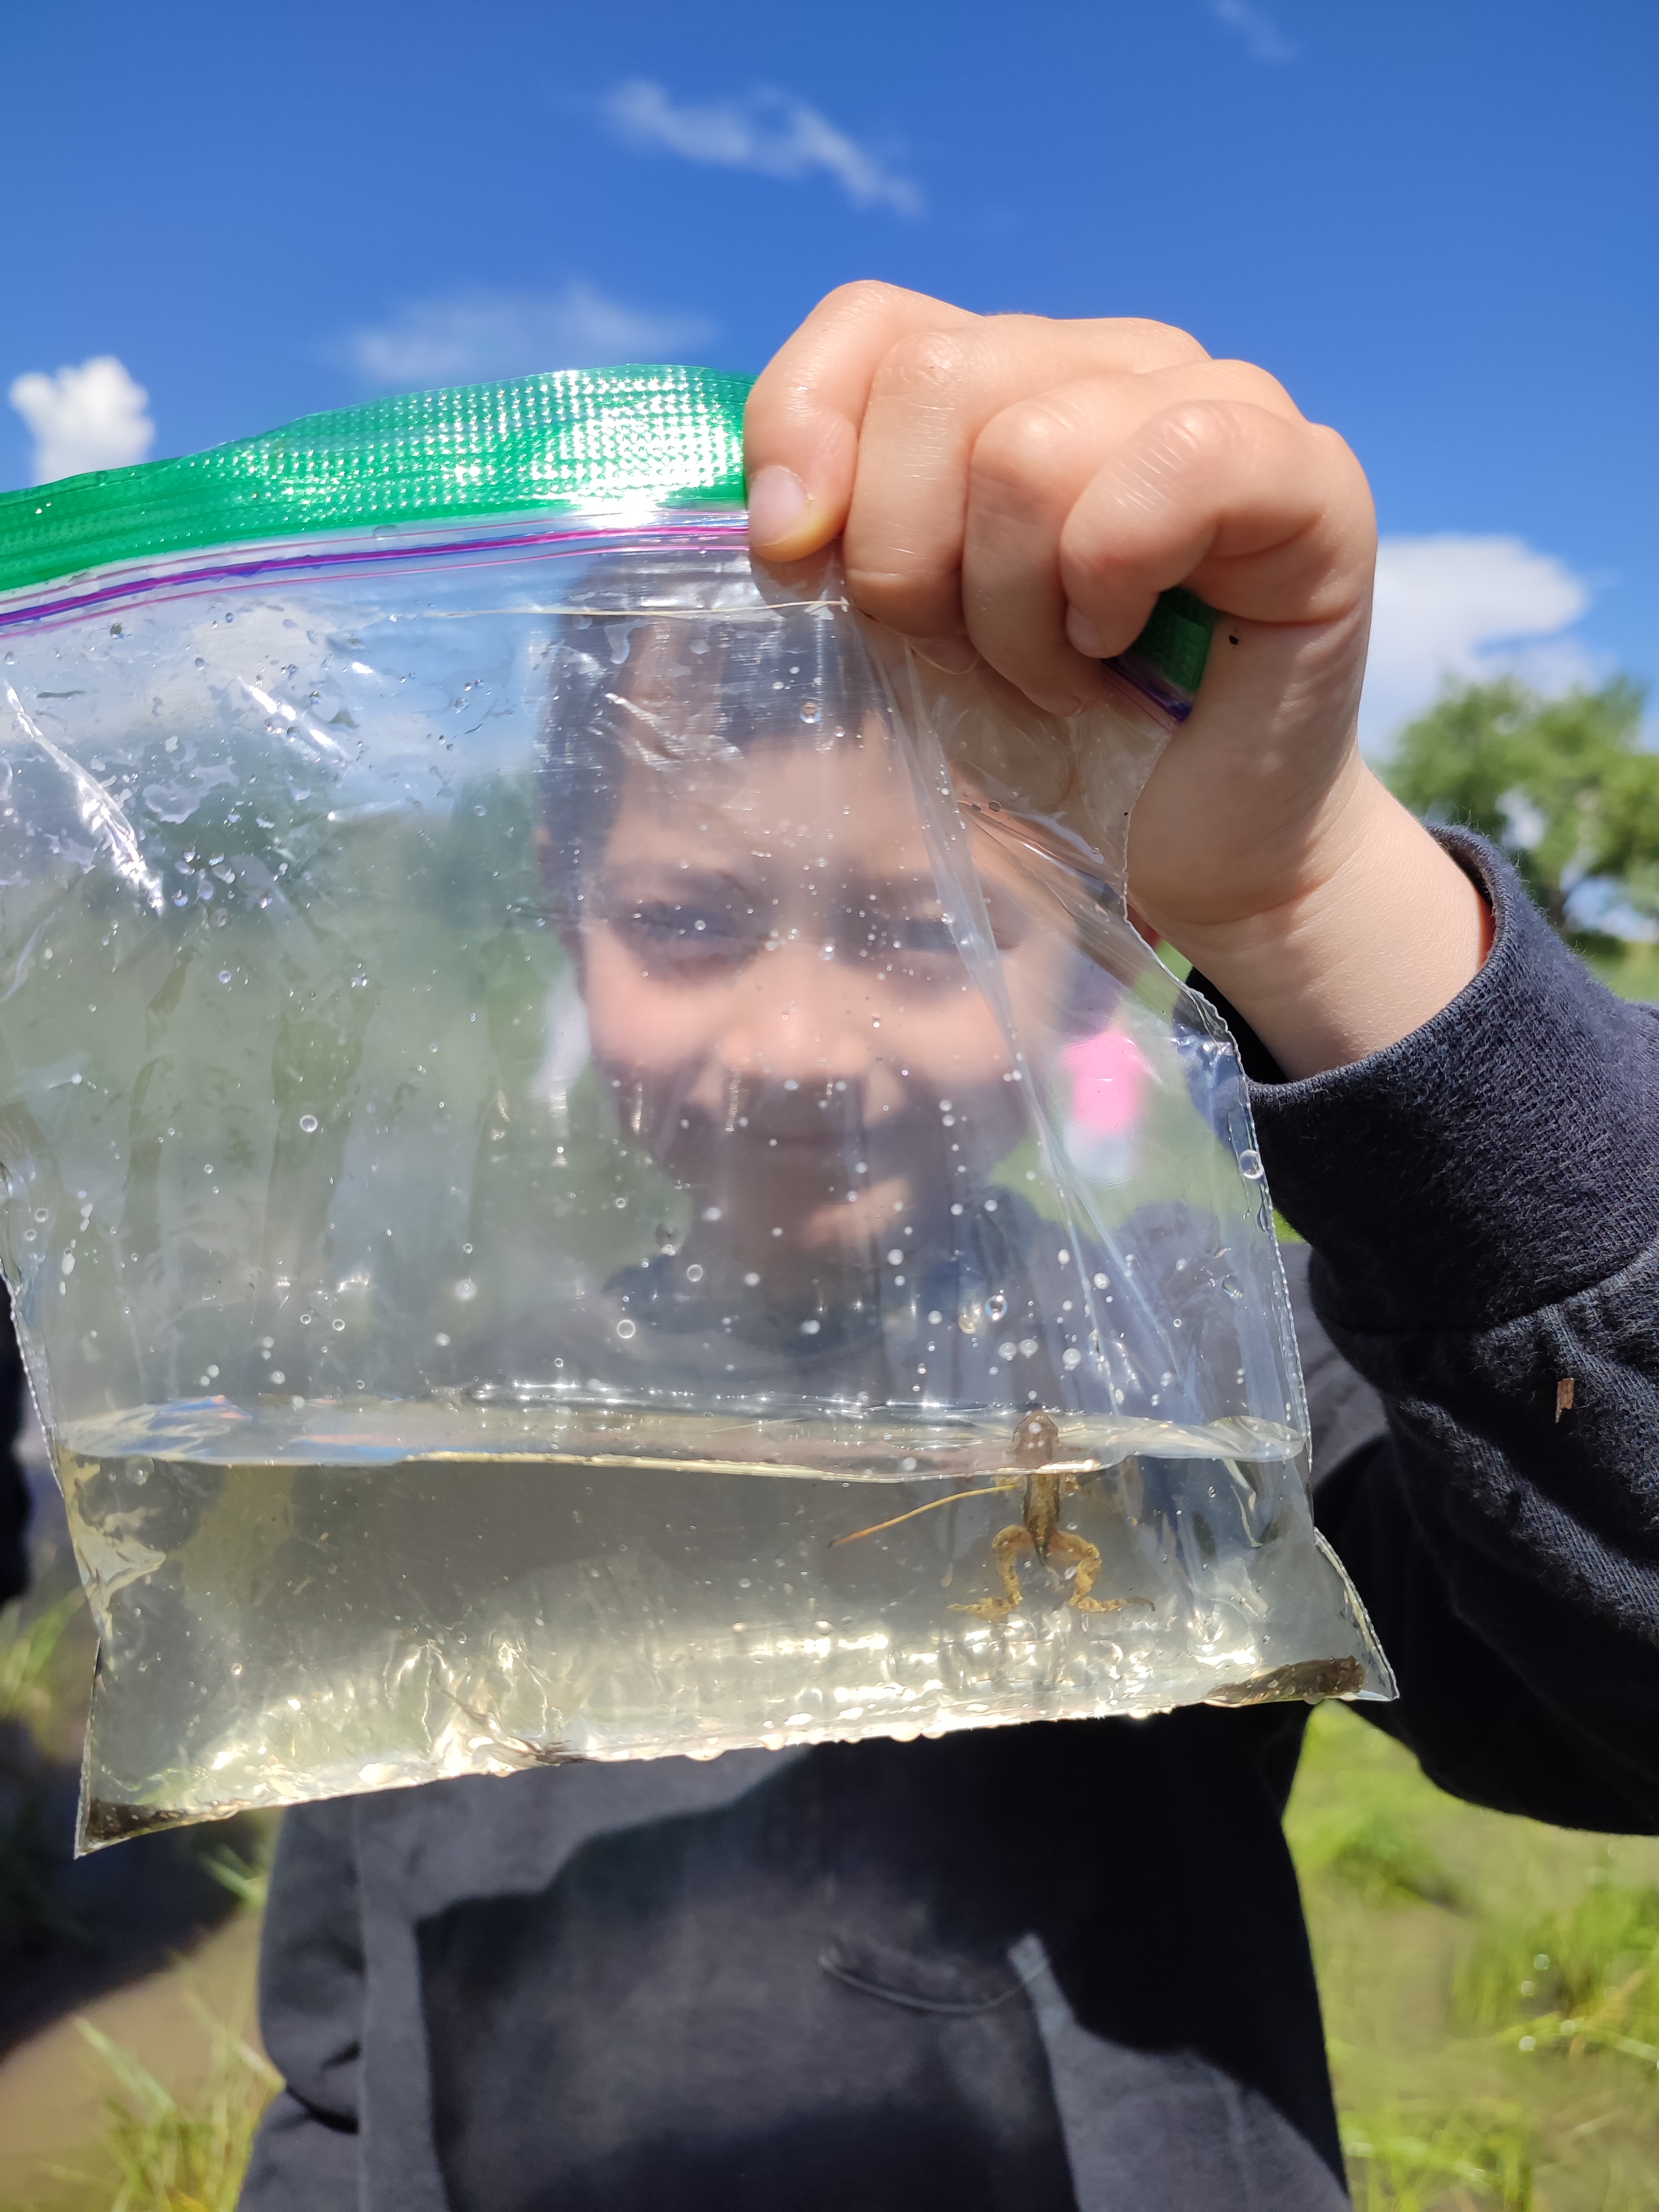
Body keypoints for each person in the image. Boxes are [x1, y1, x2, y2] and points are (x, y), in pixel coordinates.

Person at [238, 287, 1659, 2211]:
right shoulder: (435, 1449)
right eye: (691, 920)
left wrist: (1315, 885)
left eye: (920, 936)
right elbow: (339, 2074)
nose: (803, 1049)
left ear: (1081, 955)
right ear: (570, 917)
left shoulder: (1194, 1364)